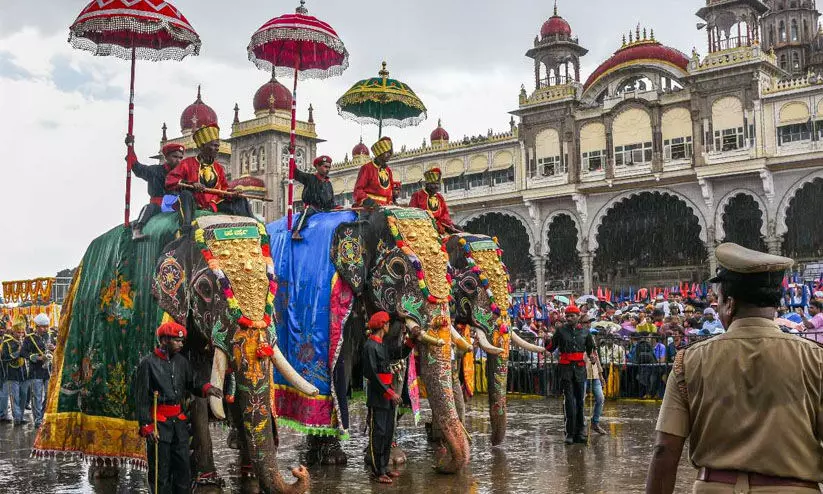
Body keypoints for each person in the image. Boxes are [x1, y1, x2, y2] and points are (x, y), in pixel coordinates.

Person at [646, 242, 823, 494]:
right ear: (775, 303)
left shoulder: (689, 361)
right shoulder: (815, 359)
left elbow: (664, 450)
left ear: (729, 303)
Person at [134, 321, 223, 494]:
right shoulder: (148, 364)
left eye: (182, 341)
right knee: (161, 472)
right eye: (177, 340)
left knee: (183, 469)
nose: (181, 344)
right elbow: (141, 398)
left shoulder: (182, 362)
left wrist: (207, 388)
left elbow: (193, 382)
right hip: (159, 426)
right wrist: (146, 426)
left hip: (179, 425)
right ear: (164, 340)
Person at [165, 123, 252, 235]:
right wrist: (191, 184)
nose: (217, 149)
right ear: (202, 146)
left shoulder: (218, 167)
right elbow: (170, 180)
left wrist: (233, 193)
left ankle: (251, 226)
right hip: (195, 201)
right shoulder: (187, 163)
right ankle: (186, 229)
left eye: (217, 146)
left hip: (214, 203)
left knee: (241, 199)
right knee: (186, 194)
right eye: (214, 145)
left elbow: (224, 188)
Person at [361, 312, 403, 483]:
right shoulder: (369, 346)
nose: (388, 327)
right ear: (383, 325)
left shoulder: (383, 345)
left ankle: (384, 467)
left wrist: (410, 342)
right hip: (379, 395)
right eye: (388, 324)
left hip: (388, 394)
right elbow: (371, 373)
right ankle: (377, 471)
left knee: (387, 432)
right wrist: (390, 392)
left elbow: (397, 353)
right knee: (378, 432)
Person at [545, 305, 595, 445]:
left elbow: (591, 350)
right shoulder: (560, 331)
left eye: (572, 315)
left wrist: (592, 357)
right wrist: (546, 340)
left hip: (579, 370)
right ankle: (569, 433)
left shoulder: (585, 332)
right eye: (567, 316)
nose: (569, 318)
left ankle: (581, 432)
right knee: (569, 402)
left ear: (578, 317)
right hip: (565, 369)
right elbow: (551, 347)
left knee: (580, 401)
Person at [128, 137, 185, 240]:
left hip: (177, 205)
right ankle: (137, 229)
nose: (178, 160)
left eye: (181, 158)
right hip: (158, 204)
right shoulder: (155, 170)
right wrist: (131, 147)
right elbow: (137, 167)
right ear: (166, 157)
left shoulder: (184, 175)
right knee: (149, 208)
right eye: (175, 157)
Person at [21, 313, 53, 429]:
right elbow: (23, 353)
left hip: (48, 371)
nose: (45, 329)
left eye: (46, 326)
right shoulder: (29, 338)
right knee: (37, 396)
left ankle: (44, 416)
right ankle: (38, 420)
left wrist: (53, 348)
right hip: (35, 371)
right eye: (43, 326)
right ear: (37, 326)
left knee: (49, 395)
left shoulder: (49, 336)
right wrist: (38, 358)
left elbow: (56, 350)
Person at [292, 155, 336, 241]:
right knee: (307, 212)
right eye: (325, 167)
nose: (327, 169)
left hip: (326, 209)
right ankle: (296, 231)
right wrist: (292, 157)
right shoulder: (309, 178)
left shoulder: (328, 183)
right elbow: (295, 173)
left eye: (329, 167)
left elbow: (331, 198)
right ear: (317, 166)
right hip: (313, 207)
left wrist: (334, 206)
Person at [408, 168, 458, 234]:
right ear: (427, 184)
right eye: (433, 184)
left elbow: (444, 214)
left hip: (440, 226)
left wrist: (449, 224)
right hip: (423, 227)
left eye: (437, 184)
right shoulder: (417, 195)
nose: (436, 186)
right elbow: (412, 213)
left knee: (458, 229)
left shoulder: (439, 197)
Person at [1, 318, 29, 426]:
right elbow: (5, 358)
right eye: (18, 332)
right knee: (15, 396)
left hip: (24, 372)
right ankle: (17, 418)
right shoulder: (7, 343)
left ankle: (20, 416)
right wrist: (19, 351)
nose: (21, 334)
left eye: (22, 332)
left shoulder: (25, 340)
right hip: (12, 373)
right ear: (13, 331)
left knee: (24, 395)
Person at [353, 137, 395, 208]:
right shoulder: (367, 168)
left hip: (386, 207)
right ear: (380, 152)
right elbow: (358, 190)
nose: (389, 155)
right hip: (369, 208)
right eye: (387, 152)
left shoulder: (388, 170)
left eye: (390, 153)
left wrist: (390, 203)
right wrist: (370, 202)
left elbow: (390, 192)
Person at [582, 317, 607, 435]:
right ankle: (580, 423)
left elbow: (597, 360)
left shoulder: (593, 345)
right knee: (580, 400)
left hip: (595, 375)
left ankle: (595, 422)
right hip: (582, 375)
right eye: (586, 322)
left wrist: (601, 376)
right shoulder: (580, 341)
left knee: (600, 398)